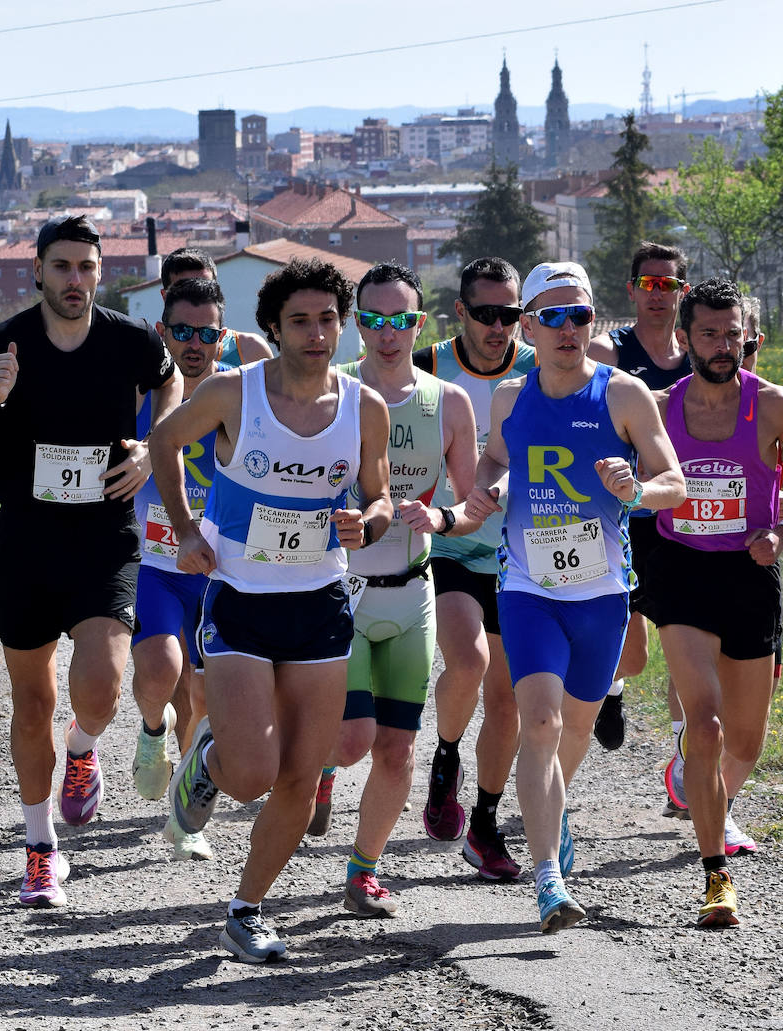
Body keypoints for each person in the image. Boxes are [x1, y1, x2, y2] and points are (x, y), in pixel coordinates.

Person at [153, 257, 391, 963]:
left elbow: (377, 496)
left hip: (319, 601)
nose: (316, 333)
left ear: (342, 326)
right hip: (241, 600)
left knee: (301, 775)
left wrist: (368, 524)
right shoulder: (235, 393)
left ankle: (247, 907)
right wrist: (188, 526)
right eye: (300, 321)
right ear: (273, 329)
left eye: (327, 319)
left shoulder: (363, 407)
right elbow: (166, 440)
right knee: (253, 771)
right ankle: (207, 758)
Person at [0, 216, 182, 908]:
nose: (75, 280)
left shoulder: (130, 340)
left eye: (87, 267)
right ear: (39, 272)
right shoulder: (3, 345)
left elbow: (168, 384)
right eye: (62, 267)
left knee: (102, 686)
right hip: (26, 540)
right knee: (30, 702)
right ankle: (40, 852)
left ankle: (83, 747)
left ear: (100, 272)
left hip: (103, 536)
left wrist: (151, 445)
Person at [464, 261, 685, 932]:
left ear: (595, 323)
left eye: (580, 316)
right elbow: (498, 458)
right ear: (527, 325)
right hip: (529, 587)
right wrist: (485, 490)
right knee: (540, 723)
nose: (568, 329)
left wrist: (638, 490)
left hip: (602, 594)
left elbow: (674, 479)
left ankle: (547, 818)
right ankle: (549, 880)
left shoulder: (624, 395)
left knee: (575, 732)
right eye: (553, 317)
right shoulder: (509, 396)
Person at [642, 277, 783, 927]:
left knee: (745, 742)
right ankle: (715, 875)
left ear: (748, 336)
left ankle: (708, 796)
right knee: (706, 724)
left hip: (750, 576)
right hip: (682, 574)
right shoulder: (658, 408)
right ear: (683, 338)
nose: (722, 346)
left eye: (733, 334)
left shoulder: (775, 406)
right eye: (708, 333)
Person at [318, 261, 481, 917]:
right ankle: (321, 765)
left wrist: (441, 517)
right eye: (375, 319)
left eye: (402, 320)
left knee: (397, 749)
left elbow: (471, 505)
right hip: (338, 593)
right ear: (360, 323)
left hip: (412, 590)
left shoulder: (450, 402)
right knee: (354, 737)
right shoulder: (330, 393)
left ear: (420, 323)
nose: (389, 333)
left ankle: (363, 872)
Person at [411, 256, 536, 881]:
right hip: (448, 544)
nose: (498, 327)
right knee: (468, 660)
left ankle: (485, 824)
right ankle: (445, 755)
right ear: (459, 312)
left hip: (517, 553)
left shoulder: (539, 372)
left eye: (509, 315)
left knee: (509, 699)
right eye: (485, 314)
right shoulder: (428, 365)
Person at [127, 277, 232, 862]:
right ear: (163, 332)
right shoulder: (141, 398)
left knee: (203, 697)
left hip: (216, 572)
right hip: (154, 565)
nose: (196, 343)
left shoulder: (238, 403)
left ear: (223, 336)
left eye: (208, 333)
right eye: (183, 331)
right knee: (163, 666)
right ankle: (149, 730)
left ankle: (181, 812)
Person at [587, 242, 694, 753]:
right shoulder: (610, 351)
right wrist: (660, 402)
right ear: (632, 290)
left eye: (667, 284)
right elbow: (590, 402)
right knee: (632, 655)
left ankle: (684, 765)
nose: (657, 294)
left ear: (682, 292)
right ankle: (611, 689)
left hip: (685, 518)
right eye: (647, 284)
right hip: (624, 518)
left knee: (691, 647)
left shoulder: (700, 352)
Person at [160, 247, 274, 364]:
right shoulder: (148, 355)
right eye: (183, 291)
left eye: (205, 288)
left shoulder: (251, 351)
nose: (195, 298)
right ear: (165, 297)